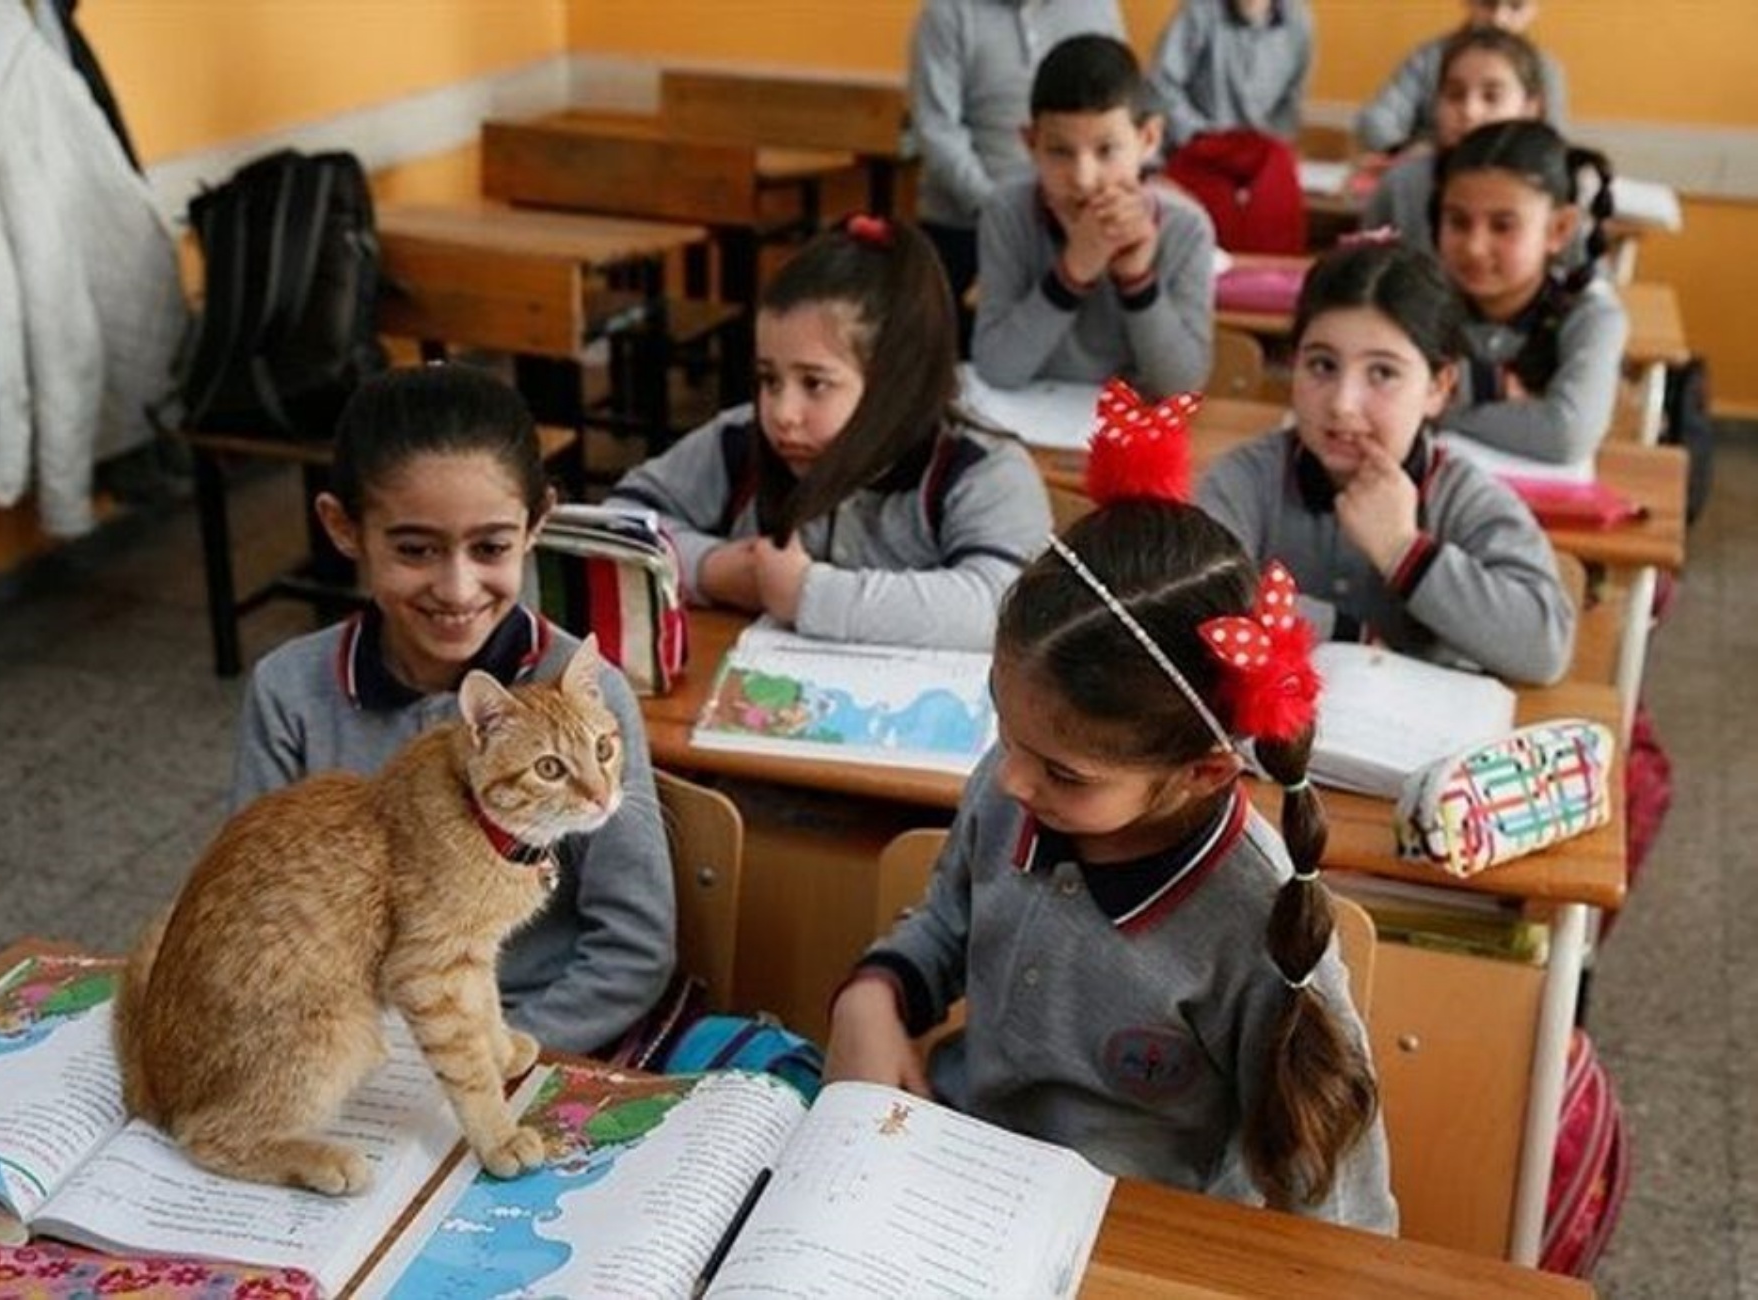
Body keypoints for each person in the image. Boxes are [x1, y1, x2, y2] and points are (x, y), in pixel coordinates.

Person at [825, 385, 1397, 1230]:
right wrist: (873, 996)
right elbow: (947, 923)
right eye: (1004, 728)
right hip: (956, 1185)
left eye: (1063, 773)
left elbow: (1338, 1192)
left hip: (1134, 1239)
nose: (1013, 781)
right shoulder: (1018, 776)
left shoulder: (1259, 918)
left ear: (1204, 774)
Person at [232, 363, 676, 1056]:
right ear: (344, 528)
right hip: (344, 1046)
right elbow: (253, 915)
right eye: (414, 549)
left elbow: (634, 949)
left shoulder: (588, 694)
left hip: (534, 1036)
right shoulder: (288, 691)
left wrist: (493, 1058)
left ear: (537, 526)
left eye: (491, 547)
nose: (457, 586)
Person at [607, 215, 1050, 653]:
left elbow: (1005, 604)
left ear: (895, 383)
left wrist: (805, 593)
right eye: (769, 379)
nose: (782, 413)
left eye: (814, 383)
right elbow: (616, 524)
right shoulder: (738, 440)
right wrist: (712, 569)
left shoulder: (981, 469)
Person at [1196, 241, 1575, 685]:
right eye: (1321, 365)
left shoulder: (1465, 498)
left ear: (1439, 387)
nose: (1342, 404)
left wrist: (1404, 551)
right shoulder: (1243, 479)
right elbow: (1198, 599)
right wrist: (1344, 635)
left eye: (1382, 373)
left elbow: (1544, 648)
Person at [972, 34, 1215, 397]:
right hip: (1033, 426)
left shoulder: (1187, 228)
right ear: (1030, 144)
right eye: (1059, 152)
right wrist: (1074, 271)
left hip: (1134, 436)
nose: (1084, 180)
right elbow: (996, 369)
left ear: (1148, 139)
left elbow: (1181, 384)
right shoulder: (1006, 214)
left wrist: (1137, 280)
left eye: (1107, 150)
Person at [906, 0, 1128, 344]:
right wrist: (1003, 213)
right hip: (964, 225)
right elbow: (936, 129)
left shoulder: (1097, 7)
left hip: (1075, 220)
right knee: (962, 366)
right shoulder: (947, 12)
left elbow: (1115, 106)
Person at [1433, 119, 1624, 464]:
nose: (1475, 247)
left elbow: (1565, 434)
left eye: (1502, 226)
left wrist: (1431, 409)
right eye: (1458, 222)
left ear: (1559, 229)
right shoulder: (1419, 297)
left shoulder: (1591, 314)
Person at [1362, 26, 1546, 251]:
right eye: (1455, 95)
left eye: (1491, 97)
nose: (1469, 110)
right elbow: (1364, 274)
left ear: (1530, 108)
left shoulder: (1551, 188)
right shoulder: (1402, 184)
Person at [1355, 0, 1568, 155]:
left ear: (1535, 9)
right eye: (1488, 4)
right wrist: (1403, 151)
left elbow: (1551, 146)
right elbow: (1375, 119)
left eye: (1515, 6)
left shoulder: (1545, 70)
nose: (1499, 18)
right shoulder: (1428, 58)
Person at [1145, 0, 1314, 151]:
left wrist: (1267, 147)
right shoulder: (1199, 10)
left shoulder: (1298, 19)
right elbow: (1160, 84)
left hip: (1255, 155)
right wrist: (1203, 137)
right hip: (1193, 149)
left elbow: (1292, 98)